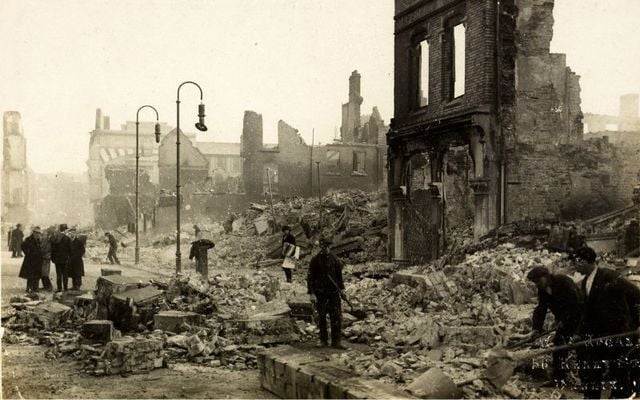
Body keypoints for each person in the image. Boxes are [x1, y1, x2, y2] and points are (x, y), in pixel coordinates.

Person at [572, 246, 640, 399]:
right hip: (597, 334)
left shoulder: (609, 276)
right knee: (591, 370)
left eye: (576, 262)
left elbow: (636, 294)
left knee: (619, 371)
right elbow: (587, 312)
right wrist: (579, 333)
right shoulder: (584, 283)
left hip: (618, 332)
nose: (574, 266)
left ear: (585, 262)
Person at [526, 266, 582, 386]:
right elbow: (541, 309)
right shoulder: (542, 290)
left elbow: (575, 303)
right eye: (534, 282)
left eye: (538, 281)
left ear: (546, 277)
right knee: (559, 346)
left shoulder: (563, 282)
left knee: (581, 348)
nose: (536, 284)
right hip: (564, 322)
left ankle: (588, 382)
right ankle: (558, 379)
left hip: (581, 318)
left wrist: (564, 320)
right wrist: (536, 329)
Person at [307, 236, 346, 349]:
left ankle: (336, 341)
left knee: (336, 317)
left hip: (333, 293)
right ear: (321, 246)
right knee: (322, 317)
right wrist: (312, 293)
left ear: (330, 246)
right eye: (323, 246)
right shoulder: (315, 260)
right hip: (321, 294)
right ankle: (323, 340)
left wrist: (342, 290)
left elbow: (339, 277)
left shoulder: (335, 260)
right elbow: (310, 278)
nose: (326, 248)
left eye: (328, 246)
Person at [19, 226, 43, 292]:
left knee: (37, 275)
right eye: (37, 233)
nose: (38, 234)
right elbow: (22, 246)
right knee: (30, 275)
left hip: (38, 260)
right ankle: (29, 288)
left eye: (39, 233)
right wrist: (27, 253)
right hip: (30, 260)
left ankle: (36, 288)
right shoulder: (28, 239)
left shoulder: (39, 239)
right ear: (34, 232)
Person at [51, 224, 71, 292]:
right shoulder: (67, 239)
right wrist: (69, 258)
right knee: (65, 274)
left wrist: (53, 258)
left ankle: (59, 288)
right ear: (65, 230)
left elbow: (52, 249)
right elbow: (70, 250)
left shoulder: (55, 238)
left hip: (57, 260)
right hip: (65, 260)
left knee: (58, 274)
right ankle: (65, 288)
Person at [38, 227, 54, 291]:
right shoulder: (42, 240)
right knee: (42, 273)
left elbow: (46, 249)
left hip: (45, 258)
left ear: (47, 235)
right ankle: (46, 286)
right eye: (42, 234)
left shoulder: (48, 241)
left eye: (44, 234)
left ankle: (49, 286)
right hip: (43, 258)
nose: (42, 235)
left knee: (44, 273)